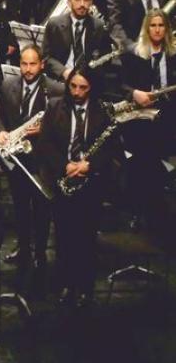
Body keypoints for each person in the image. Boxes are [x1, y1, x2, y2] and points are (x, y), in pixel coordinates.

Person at [37, 64, 118, 307]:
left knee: (86, 238)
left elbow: (111, 149)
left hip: (90, 183)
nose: (76, 92)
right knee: (63, 236)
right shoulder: (54, 107)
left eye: (83, 87)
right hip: (63, 180)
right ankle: (65, 285)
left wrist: (89, 166)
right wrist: (65, 165)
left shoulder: (103, 111)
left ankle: (84, 288)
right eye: (73, 86)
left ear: (91, 88)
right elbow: (45, 144)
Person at [0, 44, 58, 298]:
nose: (28, 69)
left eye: (33, 64)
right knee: (20, 206)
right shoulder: (9, 85)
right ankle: (24, 249)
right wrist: (0, 131)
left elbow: (61, 123)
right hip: (16, 158)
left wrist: (43, 130)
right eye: (24, 64)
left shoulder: (55, 89)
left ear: (41, 64)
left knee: (41, 208)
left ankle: (40, 253)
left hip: (41, 160)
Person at [119, 11, 176, 233]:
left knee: (155, 159)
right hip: (141, 115)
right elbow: (123, 85)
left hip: (167, 114)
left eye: (161, 25)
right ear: (147, 28)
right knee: (142, 159)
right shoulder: (135, 53)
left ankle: (155, 207)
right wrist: (135, 93)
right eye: (153, 25)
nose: (158, 29)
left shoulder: (172, 54)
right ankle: (140, 209)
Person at [42, 0, 111, 82]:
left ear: (91, 2)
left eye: (86, 0)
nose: (82, 4)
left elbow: (105, 60)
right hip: (60, 79)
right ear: (69, 2)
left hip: (87, 82)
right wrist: (64, 72)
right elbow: (46, 57)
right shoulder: (54, 24)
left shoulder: (99, 26)